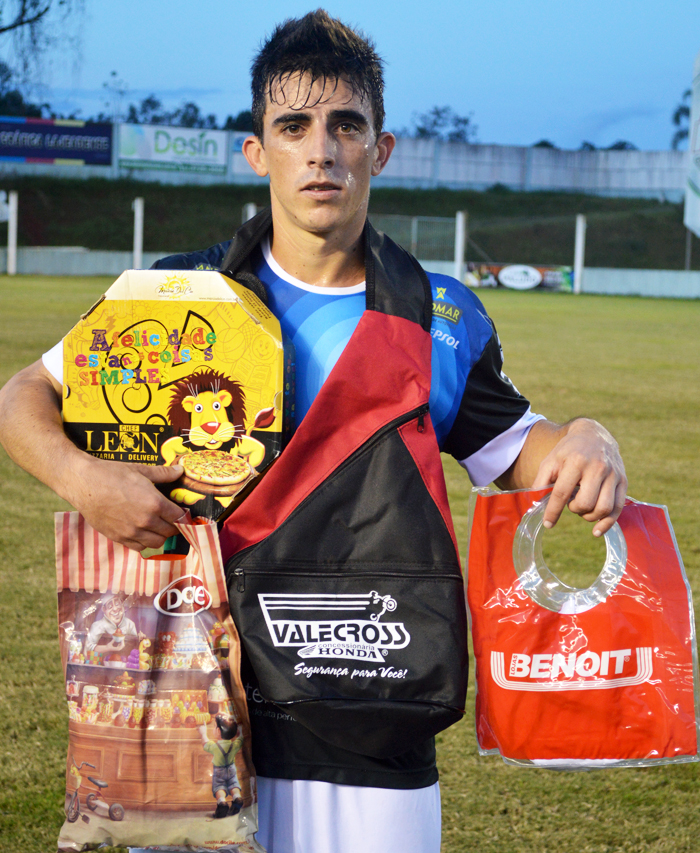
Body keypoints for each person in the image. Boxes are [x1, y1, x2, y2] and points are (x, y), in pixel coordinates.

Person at [0, 10, 626, 853]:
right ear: (258, 151)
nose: (320, 150)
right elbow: (22, 398)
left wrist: (587, 435)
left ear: (382, 148)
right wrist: (87, 482)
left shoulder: (437, 316)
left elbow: (519, 451)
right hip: (187, 701)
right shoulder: (173, 295)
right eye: (293, 127)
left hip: (373, 715)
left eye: (345, 126)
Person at [199, 715, 244, 819]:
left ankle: (222, 803)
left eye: (214, 726)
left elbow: (205, 743)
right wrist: (240, 731)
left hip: (219, 771)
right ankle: (237, 797)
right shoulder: (234, 745)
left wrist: (203, 733)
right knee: (233, 784)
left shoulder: (215, 747)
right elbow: (240, 739)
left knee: (219, 786)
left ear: (218, 731)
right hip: (231, 769)